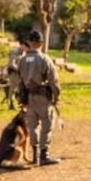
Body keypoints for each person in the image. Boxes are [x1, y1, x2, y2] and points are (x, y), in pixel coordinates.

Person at [19, 30, 61, 166]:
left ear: (29, 43)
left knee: (33, 126)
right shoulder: (44, 59)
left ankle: (35, 155)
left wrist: (22, 100)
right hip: (43, 97)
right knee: (47, 124)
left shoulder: (22, 60)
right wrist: (56, 96)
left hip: (29, 96)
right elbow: (53, 81)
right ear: (41, 43)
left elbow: (20, 82)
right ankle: (44, 154)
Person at [7, 40, 29, 108]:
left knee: (20, 89)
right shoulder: (15, 52)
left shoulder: (24, 53)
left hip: (21, 74)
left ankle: (21, 103)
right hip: (14, 73)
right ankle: (11, 103)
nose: (27, 49)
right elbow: (11, 64)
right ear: (23, 45)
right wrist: (19, 70)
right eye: (27, 47)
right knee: (13, 89)